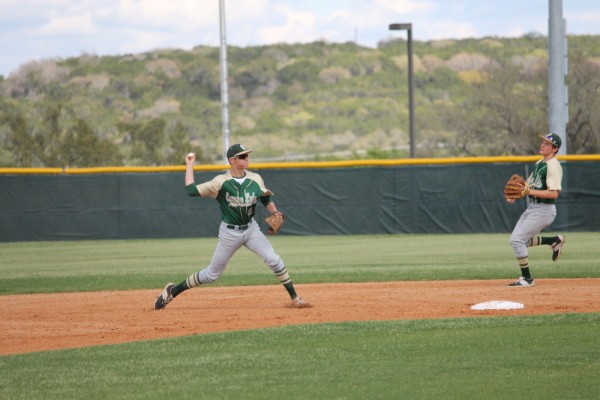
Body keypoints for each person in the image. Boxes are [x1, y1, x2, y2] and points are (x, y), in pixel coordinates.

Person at [154, 144, 309, 309]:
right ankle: (173, 290)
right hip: (229, 232)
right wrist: (190, 166)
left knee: (274, 260)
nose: (246, 159)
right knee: (211, 275)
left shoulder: (255, 178)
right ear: (232, 160)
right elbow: (191, 191)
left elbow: (264, 198)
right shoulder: (220, 182)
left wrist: (275, 211)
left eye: (247, 156)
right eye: (242, 156)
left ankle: (295, 298)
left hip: (251, 229)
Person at [507, 133, 565, 287]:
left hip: (544, 210)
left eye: (547, 144)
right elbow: (528, 186)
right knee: (517, 241)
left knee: (517, 240)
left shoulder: (554, 166)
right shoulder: (540, 163)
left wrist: (528, 192)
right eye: (543, 142)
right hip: (533, 207)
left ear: (555, 149)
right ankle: (554, 241)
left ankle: (527, 279)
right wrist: (516, 194)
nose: (542, 145)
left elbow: (554, 193)